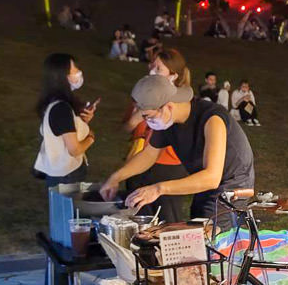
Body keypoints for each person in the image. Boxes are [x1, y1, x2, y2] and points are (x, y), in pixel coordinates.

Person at [100, 74, 255, 220]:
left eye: (148, 116)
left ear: (168, 106)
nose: (146, 122)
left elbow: (211, 178)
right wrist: (116, 177)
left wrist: (158, 189)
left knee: (214, 237)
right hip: (205, 182)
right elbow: (149, 155)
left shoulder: (212, 118)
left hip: (232, 186)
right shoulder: (169, 121)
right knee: (198, 226)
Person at [121, 47, 191, 222]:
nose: (152, 71)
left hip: (167, 166)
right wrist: (137, 116)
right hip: (138, 161)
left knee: (167, 219)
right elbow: (127, 127)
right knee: (139, 216)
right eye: (151, 66)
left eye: (158, 68)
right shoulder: (142, 94)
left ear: (173, 75)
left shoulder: (180, 103)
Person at [32, 53, 97, 186]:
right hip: (67, 174)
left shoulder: (56, 103)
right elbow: (74, 149)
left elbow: (63, 131)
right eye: (74, 69)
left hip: (64, 173)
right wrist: (91, 137)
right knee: (67, 206)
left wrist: (83, 122)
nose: (79, 72)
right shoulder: (61, 108)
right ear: (62, 76)